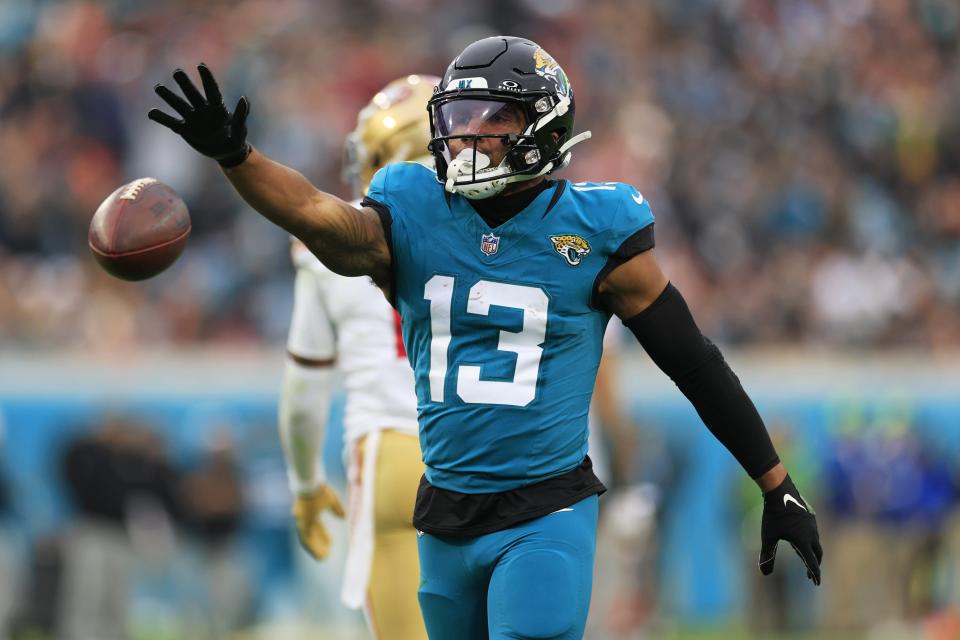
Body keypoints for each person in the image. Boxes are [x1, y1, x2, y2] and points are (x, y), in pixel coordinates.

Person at [148, 35, 823, 640]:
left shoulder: (594, 230)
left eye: (492, 120)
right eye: (458, 120)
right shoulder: (412, 206)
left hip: (543, 511)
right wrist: (238, 156)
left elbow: (695, 364)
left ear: (543, 124)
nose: (468, 138)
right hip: (443, 510)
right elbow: (316, 216)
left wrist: (775, 482)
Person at [277, 74, 436, 640]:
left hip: (390, 448)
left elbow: (304, 392)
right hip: (494, 446)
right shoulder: (509, 225)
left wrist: (304, 483)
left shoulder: (333, 240)